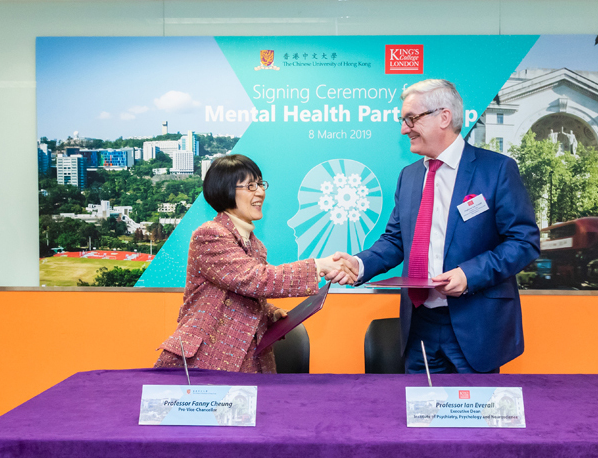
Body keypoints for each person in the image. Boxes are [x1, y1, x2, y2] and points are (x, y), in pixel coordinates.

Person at [328, 79, 540, 374]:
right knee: (422, 416)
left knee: (473, 417)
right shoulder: (409, 176)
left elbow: (524, 242)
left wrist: (470, 274)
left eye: (411, 118)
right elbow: (395, 241)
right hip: (419, 327)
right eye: (404, 120)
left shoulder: (496, 170)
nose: (404, 129)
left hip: (475, 326)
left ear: (444, 116)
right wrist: (359, 264)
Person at [154, 154, 354, 373]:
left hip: (251, 362)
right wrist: (318, 266)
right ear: (225, 190)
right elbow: (255, 279)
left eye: (260, 184)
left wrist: (269, 313)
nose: (260, 192)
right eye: (250, 186)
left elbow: (240, 294)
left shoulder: (256, 245)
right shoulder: (210, 235)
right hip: (206, 360)